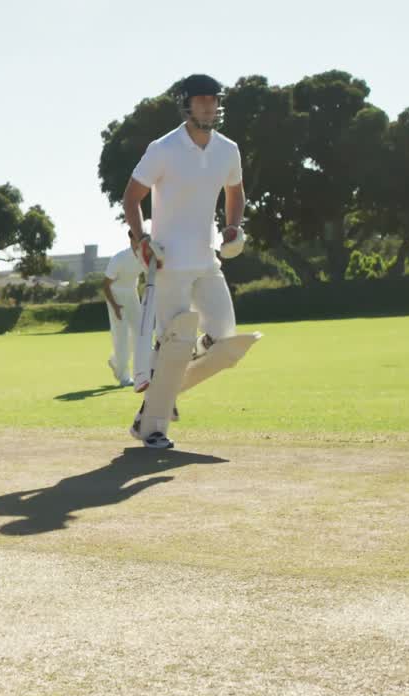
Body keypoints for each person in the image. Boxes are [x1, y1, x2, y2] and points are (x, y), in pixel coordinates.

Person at [120, 73, 252, 449]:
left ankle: (163, 387)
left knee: (224, 339)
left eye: (213, 100)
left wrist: (233, 226)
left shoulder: (228, 149)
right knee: (174, 345)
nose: (209, 106)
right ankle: (152, 428)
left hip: (207, 260)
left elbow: (236, 192)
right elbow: (131, 198)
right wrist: (140, 238)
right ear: (187, 105)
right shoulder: (163, 148)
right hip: (168, 264)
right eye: (201, 100)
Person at [101, 231, 146, 387]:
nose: (141, 242)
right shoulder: (119, 258)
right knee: (121, 336)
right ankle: (124, 376)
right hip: (116, 296)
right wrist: (115, 306)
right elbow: (105, 285)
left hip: (132, 295)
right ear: (131, 239)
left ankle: (117, 361)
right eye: (138, 238)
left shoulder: (144, 257)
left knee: (140, 333)